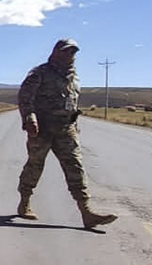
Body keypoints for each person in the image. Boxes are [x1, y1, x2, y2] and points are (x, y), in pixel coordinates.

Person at [15, 38, 117, 229]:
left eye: (73, 52)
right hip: (42, 129)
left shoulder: (74, 77)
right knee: (35, 165)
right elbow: (24, 97)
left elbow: (72, 102)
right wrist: (29, 118)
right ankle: (25, 201)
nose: (70, 56)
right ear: (55, 52)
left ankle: (86, 212)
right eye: (66, 51)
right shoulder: (40, 73)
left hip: (65, 129)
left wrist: (74, 123)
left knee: (75, 166)